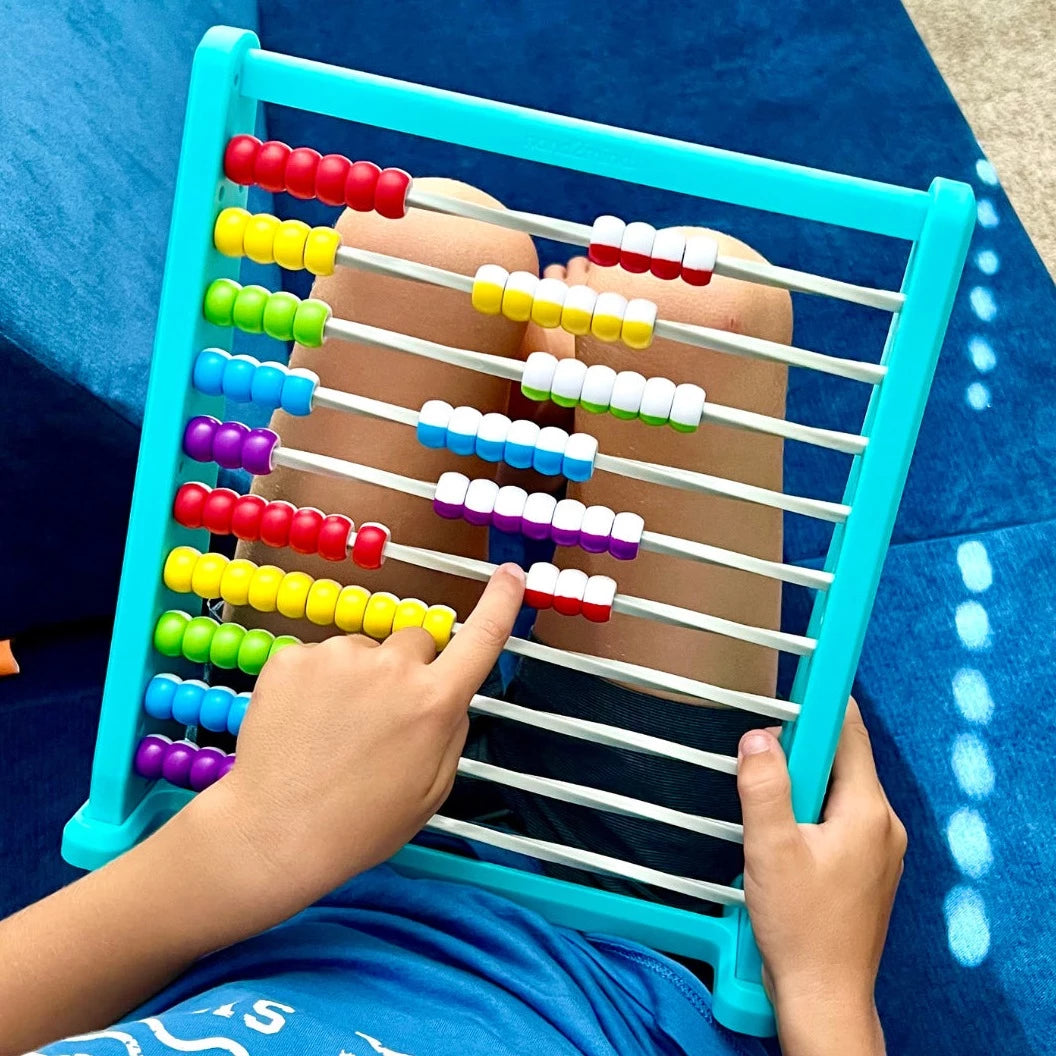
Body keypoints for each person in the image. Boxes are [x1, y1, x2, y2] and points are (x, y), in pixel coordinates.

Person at [0, 182, 907, 1055]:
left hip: (252, 873)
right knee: (704, 305)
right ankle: (533, 470)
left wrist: (249, 837)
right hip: (610, 946)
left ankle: (513, 467)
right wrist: (828, 997)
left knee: (427, 241)